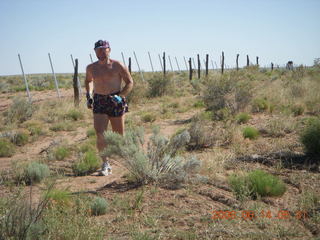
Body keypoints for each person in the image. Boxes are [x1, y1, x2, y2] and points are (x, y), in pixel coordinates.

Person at [85, 40, 133, 176]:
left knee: (119, 136)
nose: (101, 52)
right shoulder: (91, 68)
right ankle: (105, 163)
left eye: (103, 49)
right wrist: (88, 96)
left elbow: (130, 82)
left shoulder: (118, 65)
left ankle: (127, 158)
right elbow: (88, 81)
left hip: (115, 99)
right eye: (98, 49)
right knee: (100, 134)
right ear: (94, 51)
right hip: (99, 100)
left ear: (109, 50)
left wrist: (121, 96)